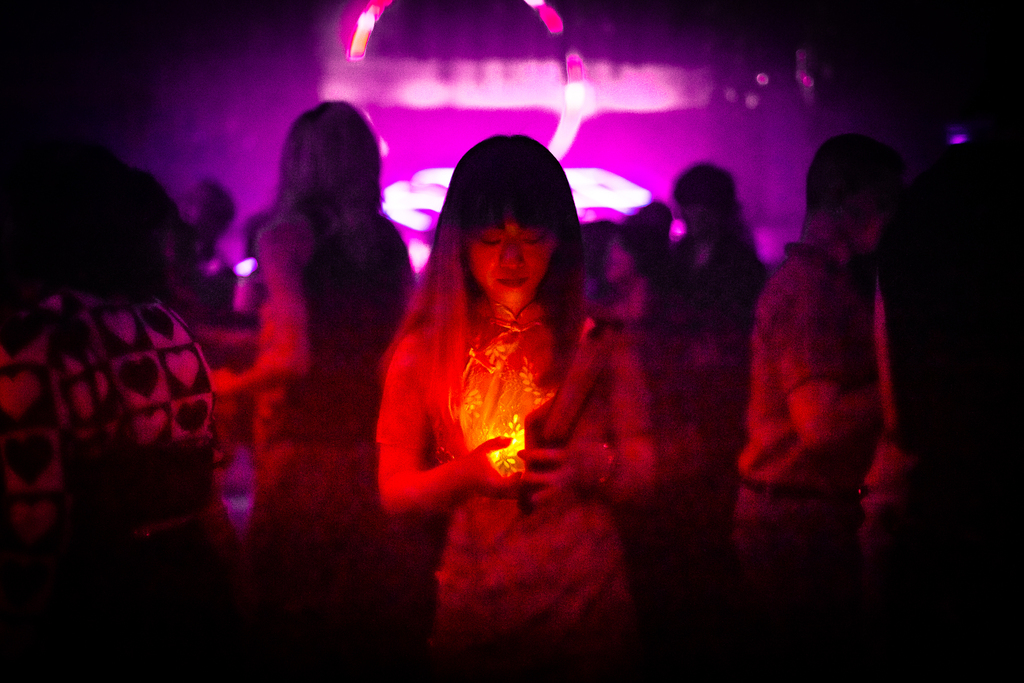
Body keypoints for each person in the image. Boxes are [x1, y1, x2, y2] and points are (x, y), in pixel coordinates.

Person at [377, 135, 655, 680]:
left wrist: (591, 466)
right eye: (489, 240)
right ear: (457, 243)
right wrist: (466, 475)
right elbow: (394, 491)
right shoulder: (423, 351)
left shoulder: (600, 343)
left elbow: (645, 471)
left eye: (531, 237)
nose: (511, 259)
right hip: (477, 610)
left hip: (588, 609)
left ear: (561, 241)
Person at [0, 142, 238, 665]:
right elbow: (206, 484)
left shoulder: (40, 341)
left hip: (92, 612)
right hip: (192, 599)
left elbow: (33, 517)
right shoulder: (168, 326)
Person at [211, 102, 412, 670]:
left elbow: (293, 357)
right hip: (373, 447)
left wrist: (227, 385)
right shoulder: (390, 243)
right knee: (359, 624)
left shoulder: (285, 236)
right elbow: (394, 348)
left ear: (299, 160)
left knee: (286, 619)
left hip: (303, 446)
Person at [732, 134, 903, 665]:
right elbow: (821, 425)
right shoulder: (810, 290)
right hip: (795, 523)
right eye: (884, 200)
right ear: (840, 193)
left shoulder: (824, 283)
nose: (892, 217)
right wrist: (906, 383)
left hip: (794, 513)